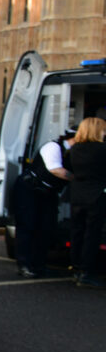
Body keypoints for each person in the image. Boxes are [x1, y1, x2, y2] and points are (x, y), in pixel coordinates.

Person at [12, 126, 75, 278]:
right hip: (30, 190)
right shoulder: (53, 146)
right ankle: (24, 265)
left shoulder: (74, 153)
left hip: (48, 193)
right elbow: (55, 169)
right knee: (27, 226)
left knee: (46, 228)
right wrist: (79, 178)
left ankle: (39, 265)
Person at [67, 116, 106, 288]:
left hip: (77, 195)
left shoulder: (75, 149)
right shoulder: (102, 149)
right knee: (92, 235)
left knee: (77, 232)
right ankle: (87, 272)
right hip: (96, 195)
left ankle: (76, 269)